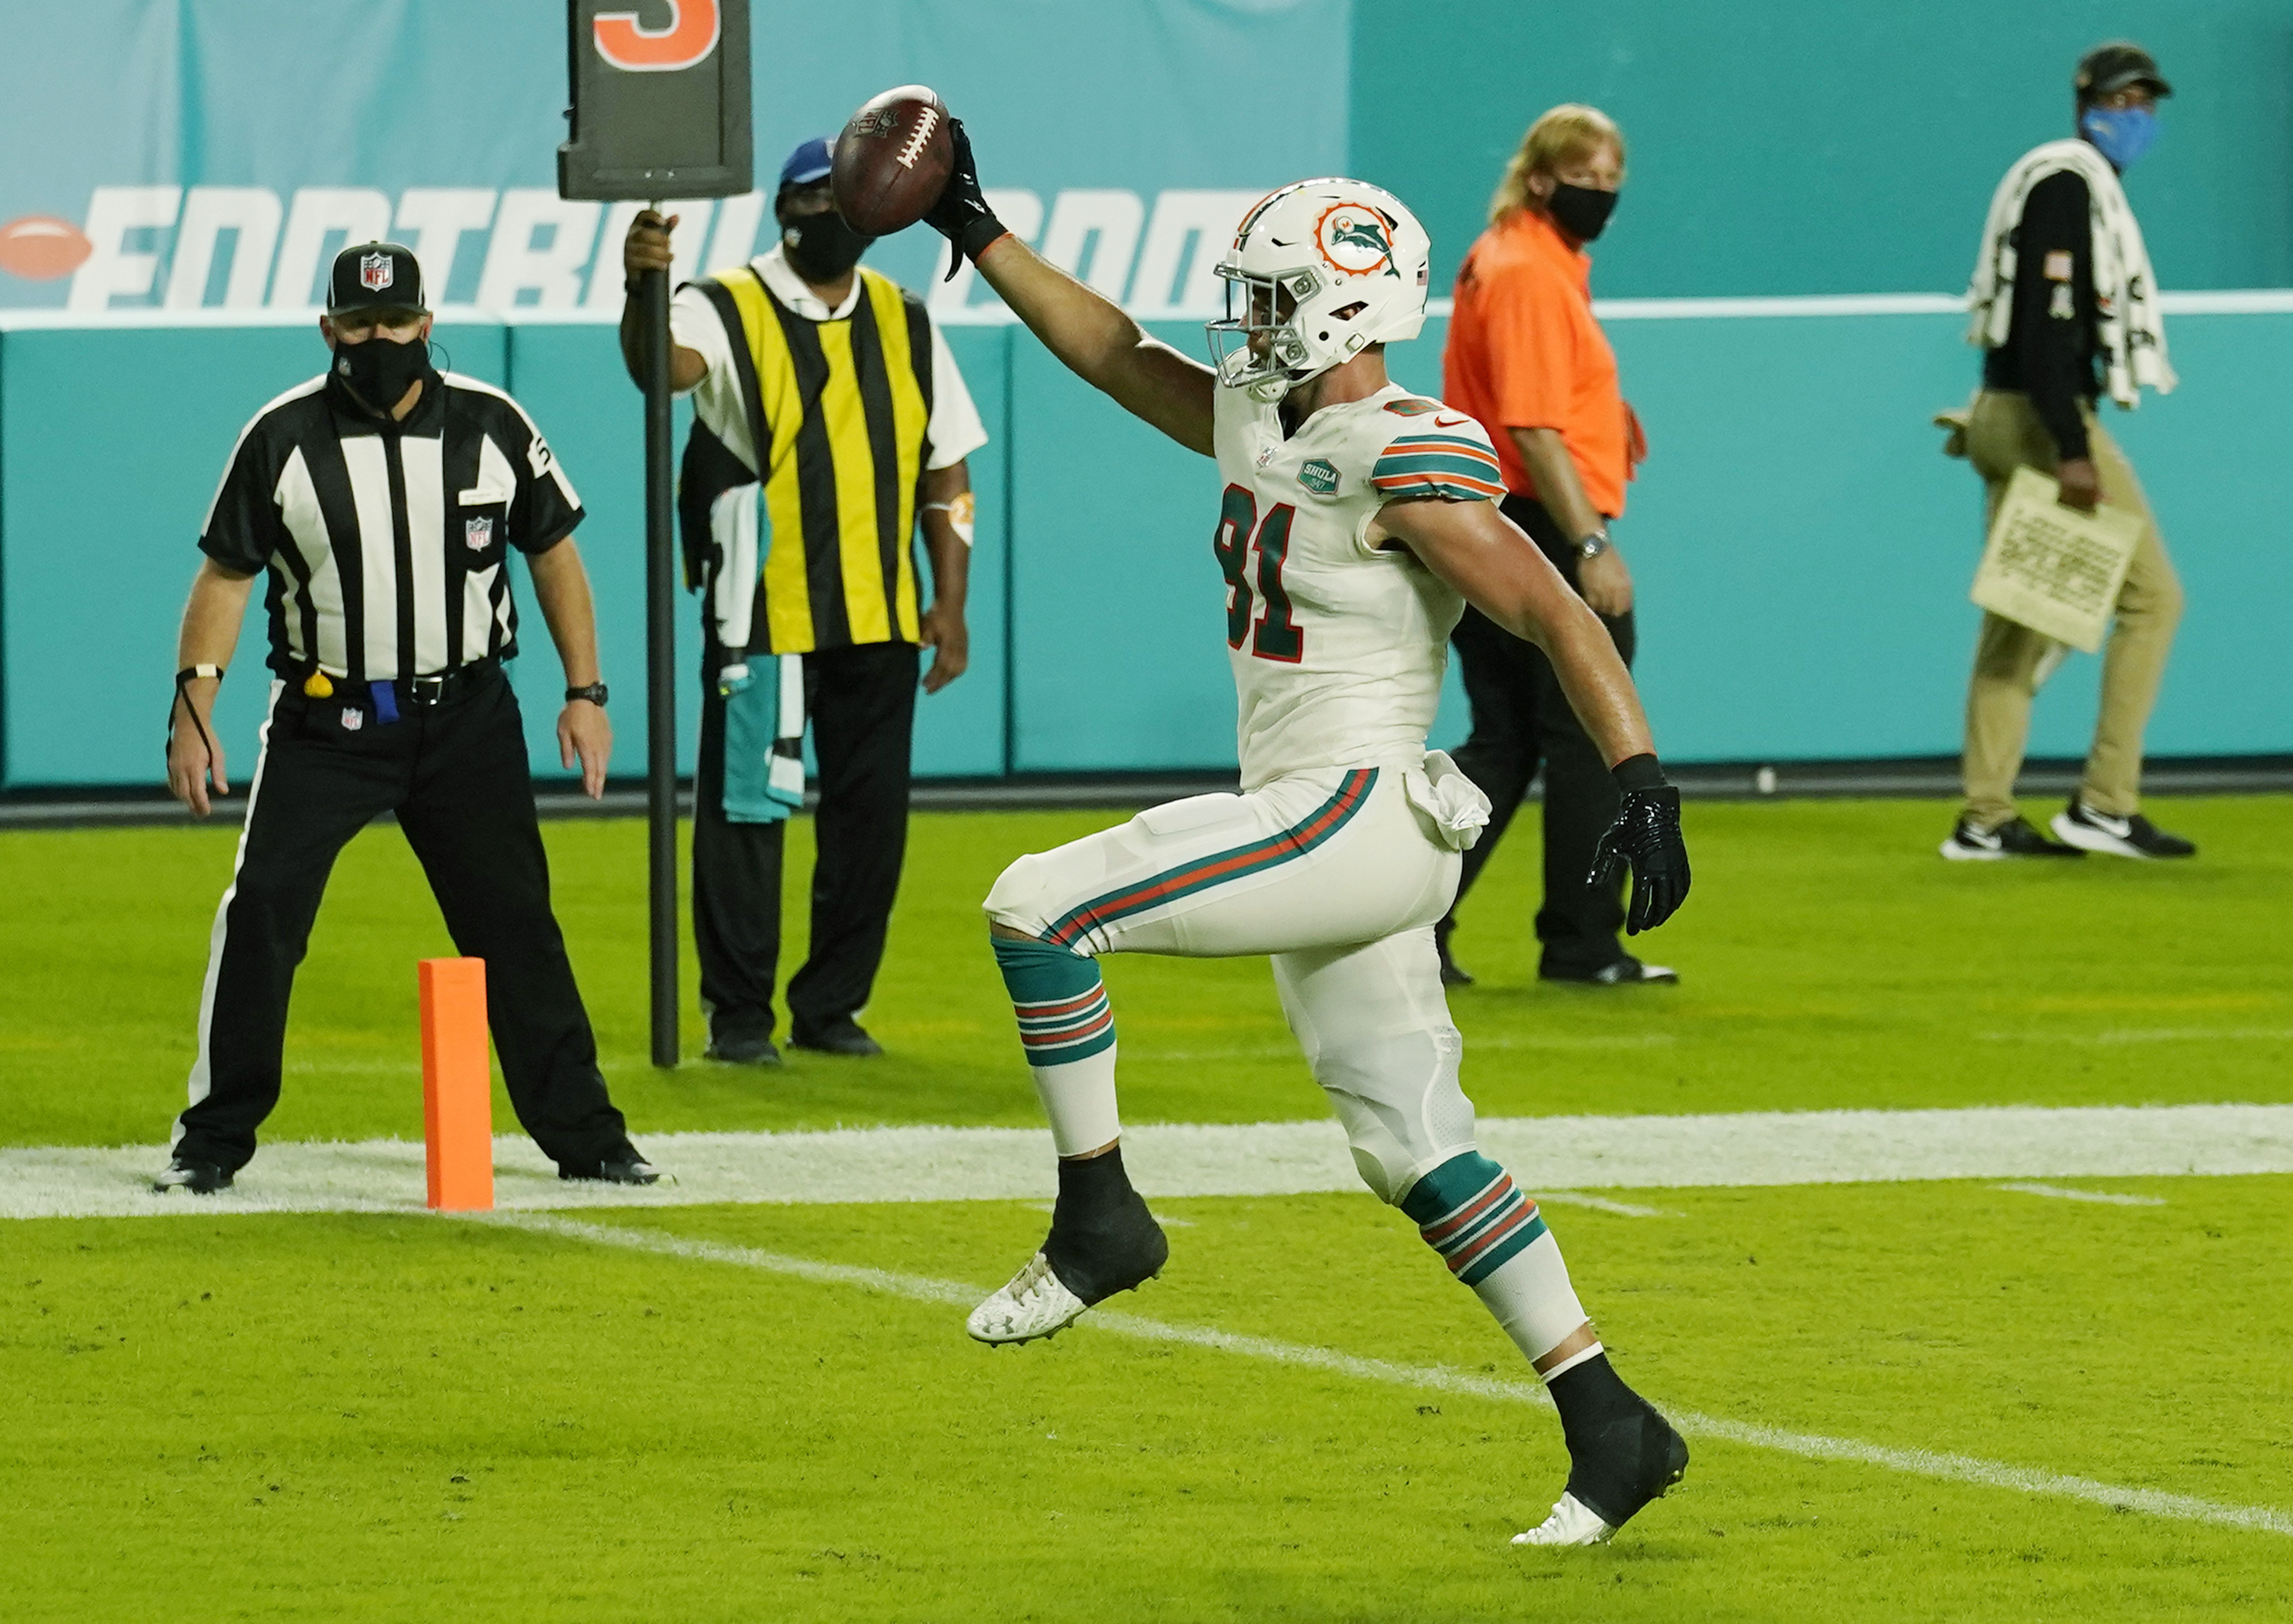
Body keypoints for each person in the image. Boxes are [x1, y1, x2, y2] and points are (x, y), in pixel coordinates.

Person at [920, 126, 1695, 1547]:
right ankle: (1610, 1419)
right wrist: (976, 229)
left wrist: (1636, 770)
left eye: (1271, 299)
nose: (1251, 323)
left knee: (1038, 904)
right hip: (1327, 825)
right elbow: (1109, 349)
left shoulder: (1405, 452)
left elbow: (1552, 607)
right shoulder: (1260, 417)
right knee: (1410, 1144)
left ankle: (1099, 1215)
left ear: (1343, 305)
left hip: (1350, 809)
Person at [156, 241, 660, 1194]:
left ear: (427, 323)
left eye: (395, 323)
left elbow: (554, 555)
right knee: (261, 913)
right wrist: (194, 707)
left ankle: (587, 1135)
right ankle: (212, 1139)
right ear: (328, 329)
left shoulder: (494, 425)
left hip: (467, 716)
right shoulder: (282, 437)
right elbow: (227, 572)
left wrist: (585, 694)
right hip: (324, 721)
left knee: (515, 924)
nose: (379, 340)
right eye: (360, 324)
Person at [620, 137, 988, 1066]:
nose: (832, 216)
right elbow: (660, 369)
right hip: (763, 613)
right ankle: (739, 1017)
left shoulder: (906, 319)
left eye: (848, 200)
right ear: (786, 211)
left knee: (871, 825)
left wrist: (951, 599)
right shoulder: (721, 304)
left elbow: (946, 464)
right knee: (748, 814)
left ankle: (831, 1007)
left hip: (882, 615)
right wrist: (641, 292)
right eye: (817, 200)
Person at [1432, 105, 1668, 987]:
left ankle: (1410, 920)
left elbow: (1536, 399)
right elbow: (1530, 426)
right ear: (1541, 177)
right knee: (1585, 731)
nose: (1601, 196)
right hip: (1537, 525)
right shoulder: (1530, 268)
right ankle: (1581, 941)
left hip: (1493, 519)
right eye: (1588, 179)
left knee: (1506, 740)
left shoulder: (1522, 255)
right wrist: (1590, 543)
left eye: (1613, 182)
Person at [1946, 42, 2193, 862]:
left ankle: (1985, 817)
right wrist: (2072, 447)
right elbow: (2048, 328)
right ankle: (2106, 804)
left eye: (2146, 105)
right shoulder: (2067, 186)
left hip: (2009, 411)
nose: (2136, 119)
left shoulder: (2063, 183)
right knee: (2154, 601)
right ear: (2086, 104)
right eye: (2122, 103)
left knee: (2020, 625)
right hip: (2042, 420)